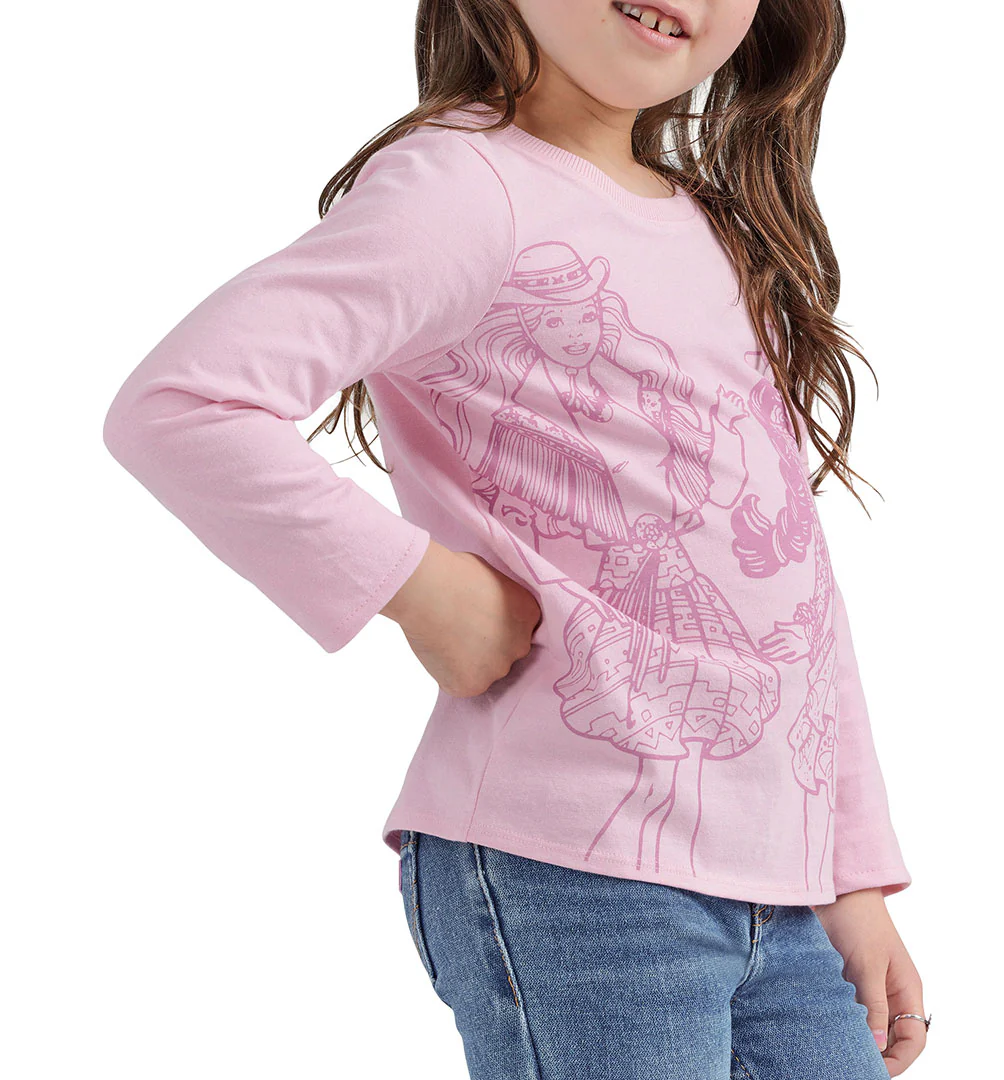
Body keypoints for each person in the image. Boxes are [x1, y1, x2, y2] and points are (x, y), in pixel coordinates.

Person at [102, 1, 930, 1076]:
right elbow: (182, 405)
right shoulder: (461, 186)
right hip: (579, 876)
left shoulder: (715, 231)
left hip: (780, 889)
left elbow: (798, 595)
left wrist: (850, 872)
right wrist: (419, 585)